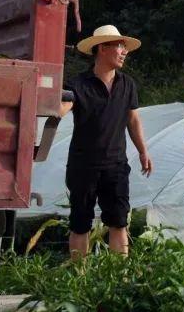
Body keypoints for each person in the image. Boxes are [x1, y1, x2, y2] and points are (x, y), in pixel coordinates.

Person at [59, 25, 152, 259]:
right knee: (80, 223)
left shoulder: (127, 84)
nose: (124, 52)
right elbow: (60, 108)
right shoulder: (78, 84)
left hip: (116, 165)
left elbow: (133, 120)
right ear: (102, 48)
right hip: (83, 166)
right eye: (119, 46)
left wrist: (143, 151)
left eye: (124, 47)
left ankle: (118, 281)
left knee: (119, 222)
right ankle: (79, 281)